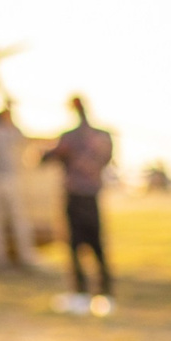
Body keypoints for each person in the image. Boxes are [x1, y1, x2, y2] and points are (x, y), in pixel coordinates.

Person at [44, 94, 117, 312]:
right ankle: (102, 292)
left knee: (79, 245)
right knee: (95, 245)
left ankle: (84, 293)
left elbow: (47, 158)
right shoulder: (102, 135)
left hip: (78, 196)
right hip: (90, 195)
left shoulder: (71, 137)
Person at [0, 96, 38, 270]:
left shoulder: (10, 131)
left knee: (18, 220)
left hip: (10, 179)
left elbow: (23, 140)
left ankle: (25, 257)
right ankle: (0, 259)